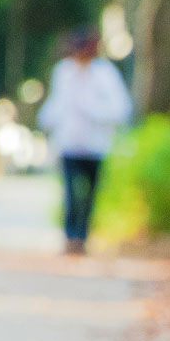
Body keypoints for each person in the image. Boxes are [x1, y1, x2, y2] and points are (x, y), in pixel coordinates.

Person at [38, 27, 132, 255]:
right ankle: (71, 237)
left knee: (89, 193)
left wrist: (92, 109)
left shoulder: (105, 73)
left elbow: (121, 109)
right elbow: (57, 103)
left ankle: (83, 236)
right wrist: (45, 120)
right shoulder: (63, 72)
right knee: (70, 192)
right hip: (68, 143)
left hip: (95, 145)